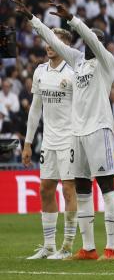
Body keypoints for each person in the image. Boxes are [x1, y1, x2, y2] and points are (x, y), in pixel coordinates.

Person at [13, 0, 114, 261]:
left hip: (99, 129)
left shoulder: (107, 63)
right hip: (78, 134)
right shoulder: (78, 62)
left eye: (92, 39)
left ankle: (111, 247)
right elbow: (51, 39)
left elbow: (90, 38)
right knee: (83, 189)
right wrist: (31, 18)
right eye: (85, 40)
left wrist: (71, 18)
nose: (87, 42)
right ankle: (88, 248)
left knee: (106, 188)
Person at [22, 27, 77, 260]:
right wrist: (28, 143)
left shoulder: (73, 72)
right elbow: (35, 110)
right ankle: (49, 246)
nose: (49, 45)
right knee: (45, 189)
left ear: (65, 46)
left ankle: (67, 246)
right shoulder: (40, 71)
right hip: (49, 141)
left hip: (70, 139)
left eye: (54, 41)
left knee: (68, 189)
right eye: (47, 40)